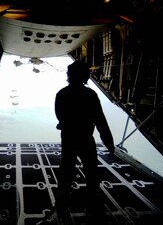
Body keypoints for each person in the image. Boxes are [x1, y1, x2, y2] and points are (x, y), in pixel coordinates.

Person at [37, 60, 115, 225]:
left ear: (69, 76)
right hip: (86, 138)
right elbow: (100, 121)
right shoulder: (90, 95)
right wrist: (109, 144)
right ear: (85, 76)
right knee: (91, 170)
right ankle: (93, 201)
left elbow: (60, 117)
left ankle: (62, 200)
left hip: (69, 137)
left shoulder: (62, 94)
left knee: (66, 168)